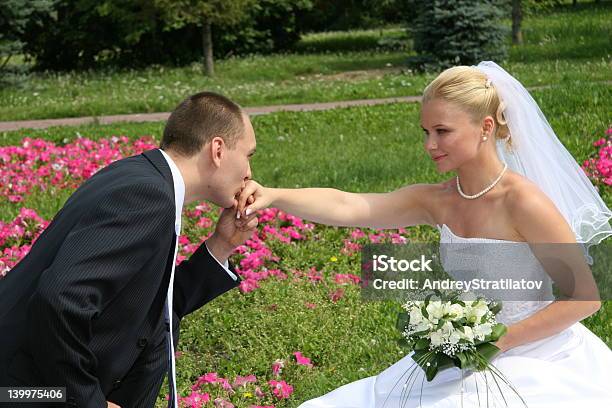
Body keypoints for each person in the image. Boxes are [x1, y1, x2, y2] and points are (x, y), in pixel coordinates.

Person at [237, 62, 612, 407]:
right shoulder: (439, 200)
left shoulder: (523, 202)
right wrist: (274, 196)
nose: (430, 145)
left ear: (485, 128)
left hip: (538, 355)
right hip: (465, 353)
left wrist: (497, 340)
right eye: (426, 132)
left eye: (443, 131)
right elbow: (348, 205)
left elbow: (585, 298)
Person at [0, 91, 259, 408]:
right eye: (249, 155)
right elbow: (59, 300)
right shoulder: (149, 194)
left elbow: (150, 310)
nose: (249, 173)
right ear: (218, 150)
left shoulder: (144, 177)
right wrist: (89, 402)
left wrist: (221, 246)